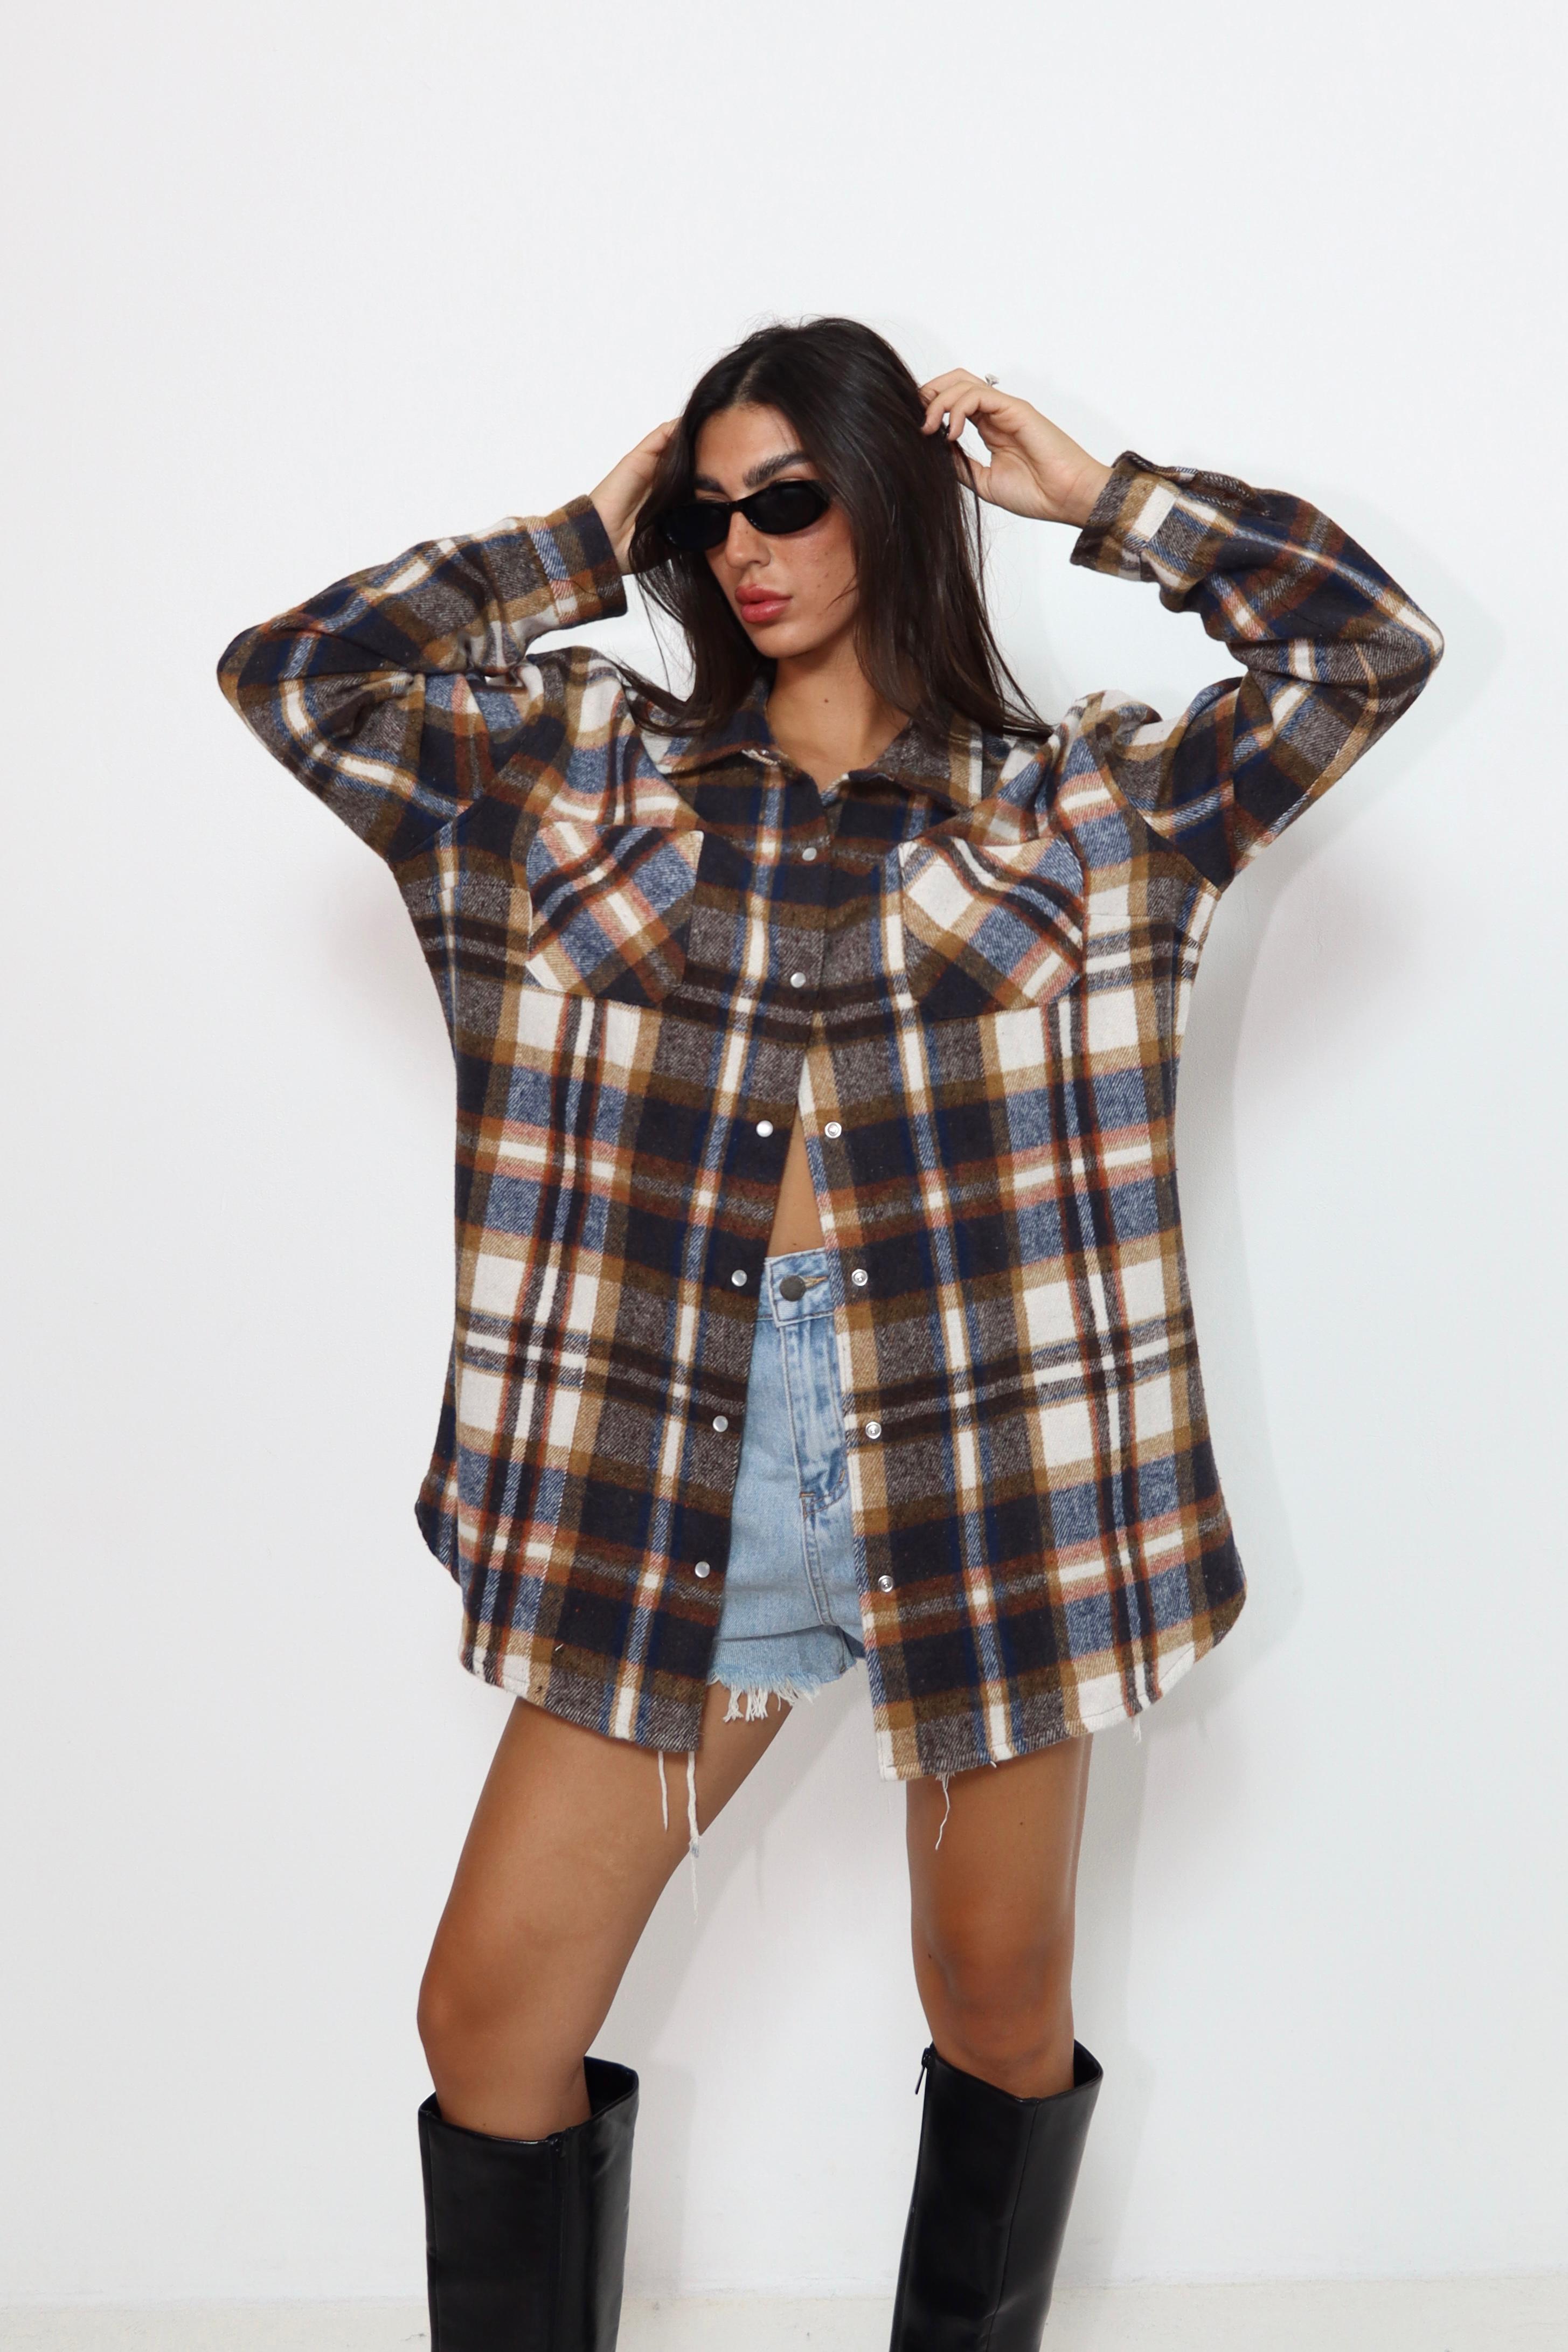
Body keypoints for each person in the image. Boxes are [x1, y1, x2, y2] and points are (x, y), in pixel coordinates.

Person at [217, 316, 1443, 2348]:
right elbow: (294, 677)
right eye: (711, 517)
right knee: (489, 2014)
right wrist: (576, 542)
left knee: (997, 2000)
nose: (746, 548)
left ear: (888, 496)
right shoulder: (570, 772)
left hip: (993, 1464)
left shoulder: (1088, 804)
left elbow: (1362, 653)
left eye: (788, 498)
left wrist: (1106, 500)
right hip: (665, 1461)